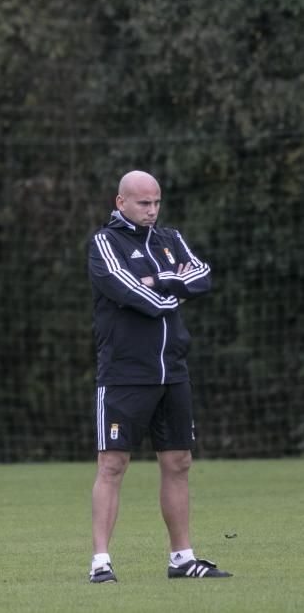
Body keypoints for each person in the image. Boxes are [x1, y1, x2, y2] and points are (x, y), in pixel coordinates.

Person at [88, 170, 232, 583]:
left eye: (156, 203)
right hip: (125, 374)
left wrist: (162, 279)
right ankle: (101, 563)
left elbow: (202, 277)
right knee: (113, 464)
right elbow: (137, 296)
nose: (151, 210)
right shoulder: (105, 243)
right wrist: (173, 286)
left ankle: (182, 559)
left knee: (179, 462)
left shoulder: (171, 239)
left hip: (174, 371)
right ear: (121, 203)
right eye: (142, 203)